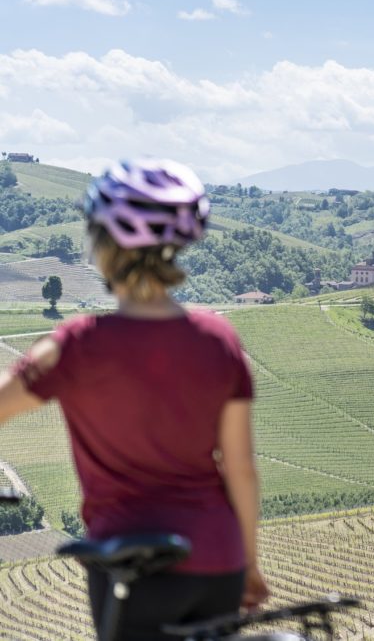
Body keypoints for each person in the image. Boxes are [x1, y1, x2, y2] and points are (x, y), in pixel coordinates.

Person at [0, 159, 270, 639]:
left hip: (135, 567)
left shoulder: (78, 344)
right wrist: (248, 563)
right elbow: (241, 466)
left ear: (102, 246)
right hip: (217, 560)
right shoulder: (219, 339)